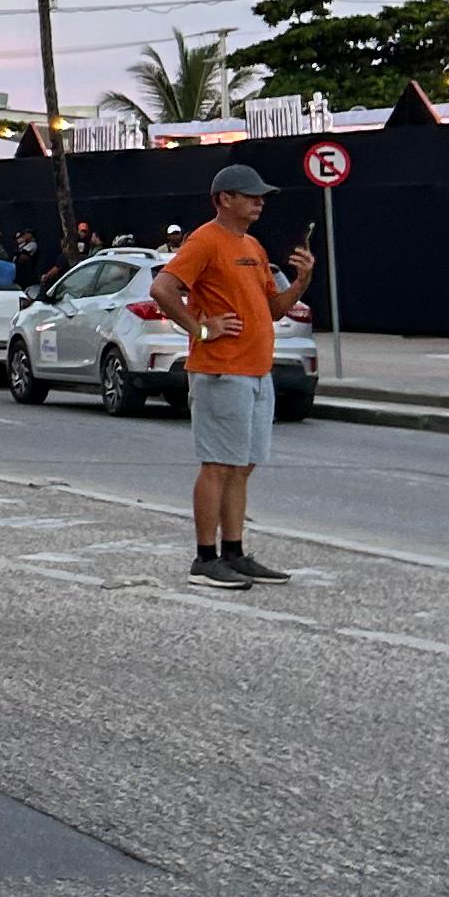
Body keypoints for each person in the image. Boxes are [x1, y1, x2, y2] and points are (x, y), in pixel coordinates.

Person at [155, 161, 313, 587]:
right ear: (225, 199)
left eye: (262, 196)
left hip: (257, 371)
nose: (260, 202)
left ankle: (235, 552)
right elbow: (163, 289)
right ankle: (205, 560)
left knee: (242, 465)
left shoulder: (253, 247)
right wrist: (201, 329)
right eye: (251, 195)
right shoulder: (205, 240)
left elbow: (274, 309)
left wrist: (302, 280)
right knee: (218, 465)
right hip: (220, 371)